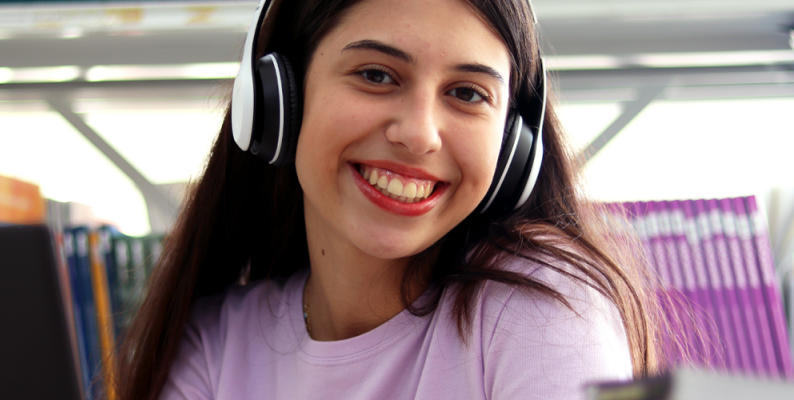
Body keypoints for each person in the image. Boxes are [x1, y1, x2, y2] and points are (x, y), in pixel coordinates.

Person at [116, 0, 669, 398]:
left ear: (513, 145)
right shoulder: (216, 344)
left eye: (468, 93)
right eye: (377, 74)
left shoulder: (541, 310)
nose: (421, 133)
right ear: (276, 99)